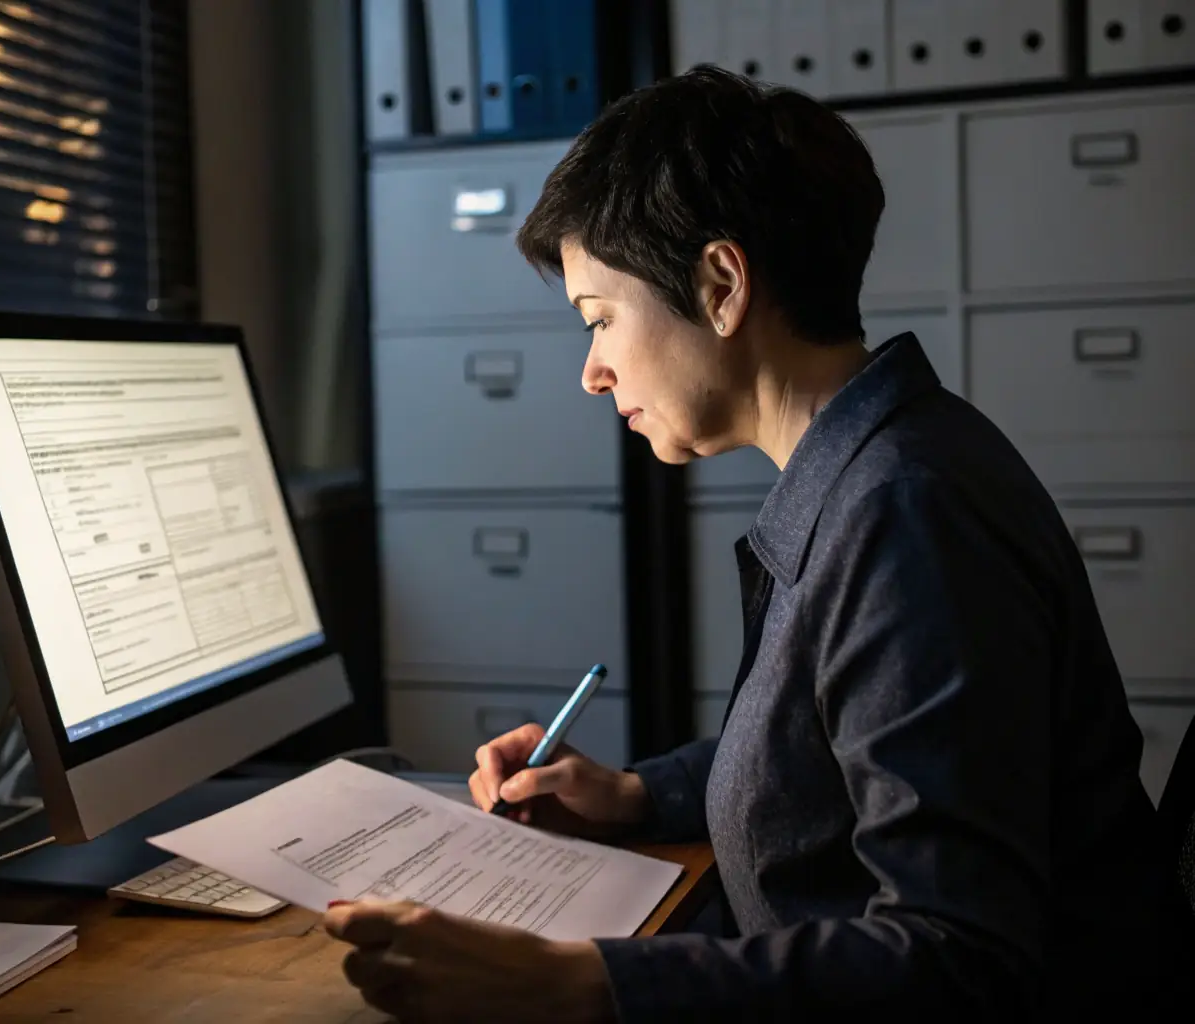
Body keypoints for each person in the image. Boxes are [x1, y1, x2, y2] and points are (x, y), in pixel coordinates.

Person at [324, 65, 1193, 1021]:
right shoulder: (870, 467)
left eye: (601, 319)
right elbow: (829, 755)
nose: (592, 371)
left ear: (720, 284)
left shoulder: (903, 512)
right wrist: (630, 795)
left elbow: (959, 960)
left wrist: (571, 982)